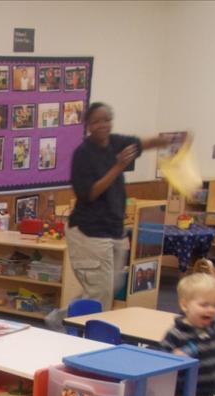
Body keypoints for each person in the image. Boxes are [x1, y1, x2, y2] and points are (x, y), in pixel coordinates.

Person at [67, 102, 175, 310]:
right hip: (89, 231)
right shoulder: (83, 153)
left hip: (114, 230)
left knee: (110, 287)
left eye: (106, 120)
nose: (102, 125)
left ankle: (62, 319)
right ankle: (80, 329)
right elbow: (89, 193)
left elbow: (142, 144)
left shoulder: (116, 143)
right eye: (96, 121)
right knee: (101, 293)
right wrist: (118, 167)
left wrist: (168, 141)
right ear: (88, 125)